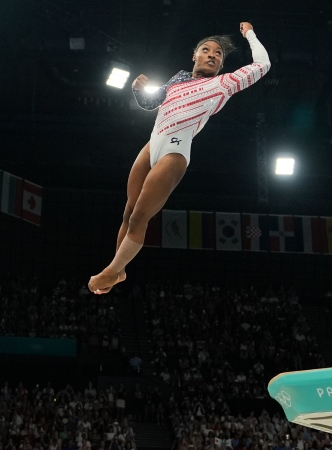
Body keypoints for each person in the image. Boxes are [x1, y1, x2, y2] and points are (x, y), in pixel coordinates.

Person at [89, 22, 270, 294]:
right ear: (194, 56)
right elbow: (151, 104)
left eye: (218, 54)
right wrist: (139, 90)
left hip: (175, 151)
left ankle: (112, 271)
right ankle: (119, 270)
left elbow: (263, 65)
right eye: (205, 50)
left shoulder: (223, 84)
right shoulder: (177, 78)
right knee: (128, 211)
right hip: (152, 145)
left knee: (139, 217)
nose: (212, 54)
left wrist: (250, 35)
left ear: (221, 65)